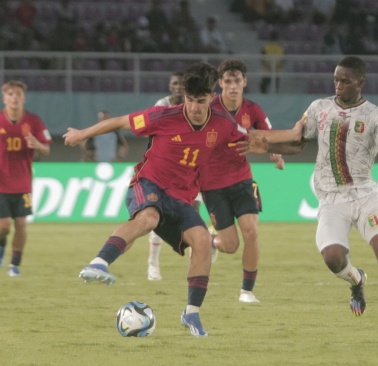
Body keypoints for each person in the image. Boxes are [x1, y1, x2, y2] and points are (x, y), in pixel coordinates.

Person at [62, 63, 248, 337]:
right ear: (183, 96)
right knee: (148, 218)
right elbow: (120, 122)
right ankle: (99, 263)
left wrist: (280, 147)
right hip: (149, 184)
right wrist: (82, 134)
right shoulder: (163, 115)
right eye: (189, 100)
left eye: (200, 100)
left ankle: (192, 314)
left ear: (212, 96)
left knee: (203, 241)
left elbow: (251, 140)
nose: (194, 107)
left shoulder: (223, 124)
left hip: (182, 197)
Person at [247, 56, 378, 333]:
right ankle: (357, 280)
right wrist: (263, 146)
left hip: (364, 195)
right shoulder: (318, 108)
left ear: (360, 83)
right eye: (336, 79)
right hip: (331, 196)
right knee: (333, 258)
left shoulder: (376, 115)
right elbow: (297, 142)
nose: (338, 85)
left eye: (345, 81)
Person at [200, 59, 285, 303]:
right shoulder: (209, 109)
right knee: (230, 245)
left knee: (251, 231)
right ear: (220, 83)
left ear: (244, 82)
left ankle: (246, 291)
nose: (233, 86)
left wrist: (275, 152)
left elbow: (269, 134)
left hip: (242, 180)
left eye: (237, 81)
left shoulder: (253, 109)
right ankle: (211, 240)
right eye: (228, 81)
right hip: (213, 185)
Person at [0, 80, 52, 277]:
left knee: (21, 222)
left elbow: (46, 149)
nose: (14, 97)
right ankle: (0, 244)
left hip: (23, 182)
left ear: (23, 98)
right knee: (3, 225)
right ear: (4, 98)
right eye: (10, 94)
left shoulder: (34, 122)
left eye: (18, 93)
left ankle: (14, 265)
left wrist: (36, 144)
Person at [147, 70, 198, 281]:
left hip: (190, 167)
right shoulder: (162, 105)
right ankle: (152, 264)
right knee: (156, 216)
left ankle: (196, 263)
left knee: (194, 212)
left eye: (181, 84)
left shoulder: (195, 107)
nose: (178, 87)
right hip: (165, 168)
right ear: (170, 86)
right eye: (175, 83)